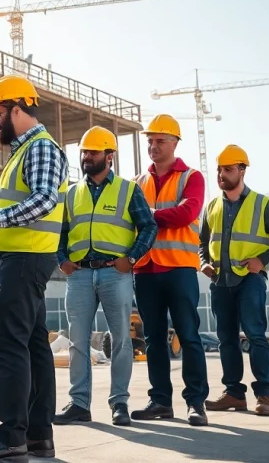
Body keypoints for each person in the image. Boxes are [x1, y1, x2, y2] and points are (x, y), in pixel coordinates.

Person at [0, 75, 68, 462]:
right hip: (20, 257)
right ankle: (38, 435)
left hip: (25, 260)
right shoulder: (23, 152)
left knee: (10, 346)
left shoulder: (40, 149)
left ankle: (11, 437)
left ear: (18, 110)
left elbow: (43, 201)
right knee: (35, 346)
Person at [54, 126, 157, 427]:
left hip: (116, 274)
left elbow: (149, 226)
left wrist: (132, 258)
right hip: (80, 276)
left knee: (122, 340)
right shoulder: (71, 193)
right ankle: (79, 404)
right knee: (77, 341)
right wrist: (62, 259)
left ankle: (119, 404)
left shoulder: (128, 189)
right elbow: (60, 232)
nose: (86, 157)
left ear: (109, 156)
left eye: (93, 152)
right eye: (84, 152)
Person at [199, 144, 269, 416]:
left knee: (255, 335)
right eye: (219, 169)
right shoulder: (212, 206)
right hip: (220, 281)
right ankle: (233, 394)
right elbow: (202, 242)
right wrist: (204, 262)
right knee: (226, 339)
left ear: (242, 170)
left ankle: (264, 395)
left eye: (228, 169)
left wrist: (262, 260)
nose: (222, 174)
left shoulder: (262, 204)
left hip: (250, 280)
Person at [129, 114, 210, 426]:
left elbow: (187, 213)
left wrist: (148, 214)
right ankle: (160, 400)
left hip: (179, 269)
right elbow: (129, 220)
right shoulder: (137, 182)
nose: (153, 145)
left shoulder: (192, 177)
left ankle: (195, 403)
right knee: (153, 338)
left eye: (160, 140)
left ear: (175, 142)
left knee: (189, 336)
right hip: (145, 270)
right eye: (150, 140)